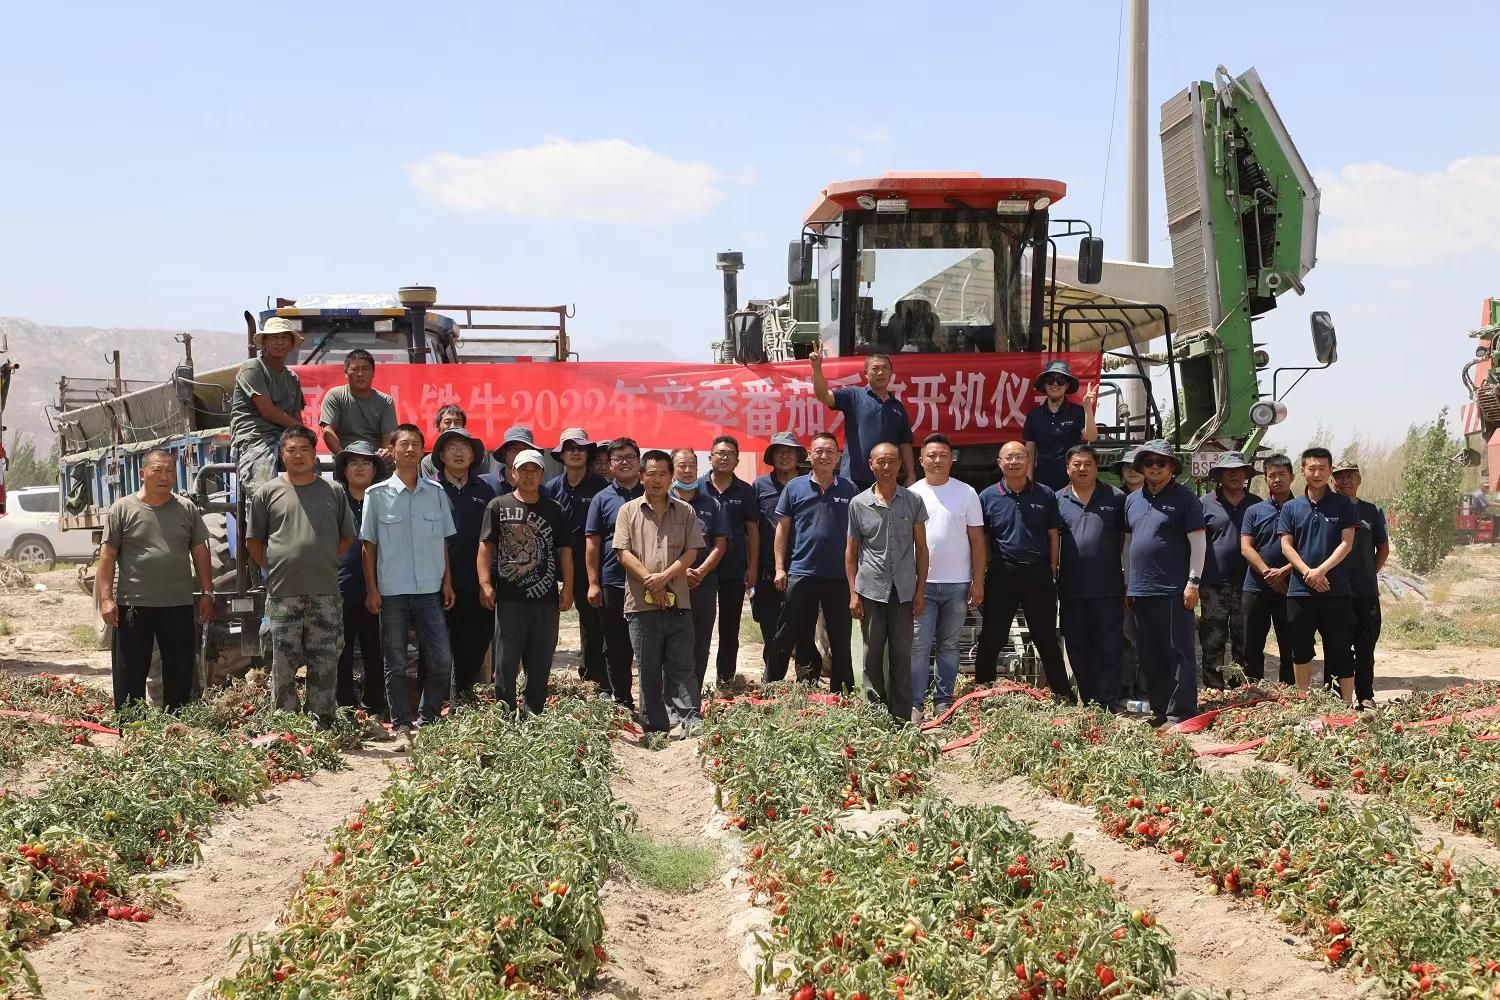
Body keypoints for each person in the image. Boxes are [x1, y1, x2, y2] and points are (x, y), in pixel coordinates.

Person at [247, 426, 354, 727]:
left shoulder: (333, 491)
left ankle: (321, 721)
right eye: (291, 450)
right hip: (283, 593)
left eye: (304, 449)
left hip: (325, 593)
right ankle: (286, 725)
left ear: (314, 453)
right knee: (282, 662)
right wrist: (274, 566)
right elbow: (253, 541)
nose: (298, 455)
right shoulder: (267, 492)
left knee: (325, 660)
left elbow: (346, 537)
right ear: (282, 455)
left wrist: (325, 560)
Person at [362, 424, 457, 748]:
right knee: (396, 663)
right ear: (392, 450)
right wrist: (372, 590)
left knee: (441, 659)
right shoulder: (377, 495)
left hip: (430, 590)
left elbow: (443, 542)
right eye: (404, 444)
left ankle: (428, 720)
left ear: (422, 450)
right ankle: (402, 726)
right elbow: (368, 547)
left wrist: (447, 582)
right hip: (392, 592)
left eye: (416, 444)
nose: (410, 449)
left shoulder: (436, 493)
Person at [97, 448, 213, 711]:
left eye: (170, 471)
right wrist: (106, 598)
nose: (164, 476)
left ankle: (176, 728)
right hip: (133, 605)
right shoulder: (122, 509)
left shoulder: (186, 509)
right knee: (130, 674)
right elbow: (108, 555)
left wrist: (208, 592)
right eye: (157, 470)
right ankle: (131, 728)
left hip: (177, 605)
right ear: (142, 474)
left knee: (180, 673)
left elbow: (200, 551)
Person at [614, 450, 703, 736]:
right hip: (641, 603)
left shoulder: (685, 511)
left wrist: (664, 577)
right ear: (641, 477)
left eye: (663, 473)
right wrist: (651, 581)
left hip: (679, 600)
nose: (657, 479)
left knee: (682, 664)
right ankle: (654, 725)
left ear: (671, 477)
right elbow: (622, 553)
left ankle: (690, 719)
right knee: (648, 667)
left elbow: (692, 551)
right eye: (651, 474)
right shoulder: (628, 511)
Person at [974, 441, 1071, 699]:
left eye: (1019, 456)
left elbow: (1053, 534)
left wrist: (1052, 568)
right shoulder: (987, 496)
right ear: (1000, 463)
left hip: (1038, 574)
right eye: (1008, 457)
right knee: (993, 636)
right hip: (1002, 573)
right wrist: (980, 575)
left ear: (1029, 461)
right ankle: (981, 692)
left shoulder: (1045, 494)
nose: (1014, 461)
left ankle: (1063, 695)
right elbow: (981, 539)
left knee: (1046, 637)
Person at [478, 449, 571, 716]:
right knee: (506, 661)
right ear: (513, 473)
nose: (529, 476)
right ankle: (505, 714)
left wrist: (567, 587)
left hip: (545, 598)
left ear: (542, 475)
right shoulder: (498, 505)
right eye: (524, 470)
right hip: (509, 597)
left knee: (540, 660)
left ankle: (534, 713)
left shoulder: (554, 509)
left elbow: (565, 551)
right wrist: (485, 583)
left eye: (535, 471)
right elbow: (485, 547)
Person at [766, 431, 858, 693]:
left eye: (830, 451)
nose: (824, 456)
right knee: (789, 631)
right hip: (802, 572)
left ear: (838, 457)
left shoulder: (849, 489)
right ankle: (773, 686)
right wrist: (780, 568)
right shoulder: (795, 488)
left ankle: (842, 692)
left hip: (838, 576)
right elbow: (782, 530)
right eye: (819, 451)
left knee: (840, 637)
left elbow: (857, 535)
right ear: (809, 455)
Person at [1124, 440, 1206, 725]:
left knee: (1178, 652)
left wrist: (1193, 582)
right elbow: (1128, 544)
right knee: (1149, 652)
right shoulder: (1132, 500)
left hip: (1174, 589)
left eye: (1161, 463)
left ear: (1172, 466)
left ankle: (1181, 712)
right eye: (1149, 463)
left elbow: (1199, 543)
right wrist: (1128, 582)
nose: (1155, 468)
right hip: (1140, 589)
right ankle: (1160, 709)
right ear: (1141, 467)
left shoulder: (1186, 499)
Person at [846, 442, 928, 722]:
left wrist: (920, 590)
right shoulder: (858, 504)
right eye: (880, 461)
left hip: (903, 591)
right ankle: (874, 714)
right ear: (871, 465)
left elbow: (922, 549)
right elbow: (851, 552)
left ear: (900, 465)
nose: (886, 467)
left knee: (901, 654)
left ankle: (901, 716)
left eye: (892, 461)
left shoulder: (913, 501)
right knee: (872, 653)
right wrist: (853, 594)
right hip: (871, 590)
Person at [908, 433, 985, 720]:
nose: (937, 460)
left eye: (943, 455)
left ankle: (943, 701)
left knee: (949, 645)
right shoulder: (912, 493)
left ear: (952, 459)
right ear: (921, 460)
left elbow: (977, 540)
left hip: (957, 584)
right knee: (918, 645)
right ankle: (915, 703)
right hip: (921, 586)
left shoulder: (967, 493)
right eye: (931, 455)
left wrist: (978, 581)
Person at [1278, 447, 1358, 704]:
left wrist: (1321, 571)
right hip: (1300, 591)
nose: (1317, 473)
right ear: (1302, 471)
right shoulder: (1291, 508)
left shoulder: (1344, 504)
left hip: (1336, 590)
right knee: (1300, 648)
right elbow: (1286, 545)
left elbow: (1347, 543)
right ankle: (1304, 702)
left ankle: (1346, 705)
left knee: (1341, 649)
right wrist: (1307, 572)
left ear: (1330, 471)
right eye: (1311, 468)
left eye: (1322, 468)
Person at [1056, 444, 1128, 710]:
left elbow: (1125, 539)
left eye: (1088, 464)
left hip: (1108, 587)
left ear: (1097, 467)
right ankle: (1089, 700)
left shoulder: (1116, 498)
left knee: (1109, 645)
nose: (1082, 468)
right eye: (1076, 464)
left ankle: (1109, 701)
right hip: (1072, 588)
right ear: (1067, 469)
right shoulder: (1058, 499)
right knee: (1077, 645)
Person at [431, 425, 496, 701]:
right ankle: (434, 703)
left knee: (477, 639)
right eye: (452, 448)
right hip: (436, 580)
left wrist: (488, 580)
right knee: (437, 645)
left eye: (464, 448)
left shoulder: (486, 490)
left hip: (476, 580)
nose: (458, 453)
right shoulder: (429, 489)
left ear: (473, 456)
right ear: (441, 455)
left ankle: (463, 695)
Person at [542, 428, 610, 687]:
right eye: (570, 448)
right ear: (561, 454)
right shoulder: (550, 488)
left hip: (588, 565)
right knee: (544, 624)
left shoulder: (601, 488)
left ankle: (594, 679)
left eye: (581, 448)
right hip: (553, 565)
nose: (575, 452)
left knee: (592, 624)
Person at [751, 432, 819, 680]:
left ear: (799, 455)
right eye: (779, 451)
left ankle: (807, 682)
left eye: (790, 451)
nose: (785, 455)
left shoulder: (811, 483)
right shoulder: (760, 486)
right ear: (771, 456)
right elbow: (752, 529)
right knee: (771, 628)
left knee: (805, 629)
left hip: (804, 567)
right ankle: (772, 681)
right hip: (769, 570)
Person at [585, 438, 645, 711]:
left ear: (639, 461)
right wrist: (593, 583)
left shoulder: (652, 492)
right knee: (616, 644)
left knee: (649, 645)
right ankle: (622, 699)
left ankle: (652, 701)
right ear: (610, 465)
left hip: (649, 581)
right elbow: (593, 543)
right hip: (613, 581)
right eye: (618, 458)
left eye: (630, 457)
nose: (624, 462)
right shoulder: (602, 498)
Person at [332, 440, 388, 717]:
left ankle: (375, 705)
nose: (359, 467)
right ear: (344, 470)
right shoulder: (333, 502)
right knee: (340, 653)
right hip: (340, 588)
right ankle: (343, 707)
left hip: (377, 590)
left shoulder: (384, 501)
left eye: (366, 462)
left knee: (375, 651)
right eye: (353, 462)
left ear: (375, 469)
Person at [810, 344, 915, 487]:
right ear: (866, 373)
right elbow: (824, 396)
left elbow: (904, 444)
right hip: (854, 478)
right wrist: (817, 369)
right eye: (875, 368)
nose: (880, 372)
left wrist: (911, 475)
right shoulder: (853, 395)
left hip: (886, 478)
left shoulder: (897, 406)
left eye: (885, 368)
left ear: (891, 373)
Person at [700, 435, 760, 684]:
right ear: (710, 457)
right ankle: (693, 680)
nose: (724, 458)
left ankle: (725, 680)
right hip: (700, 569)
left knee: (729, 628)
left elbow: (752, 531)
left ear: (737, 460)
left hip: (734, 568)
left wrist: (752, 567)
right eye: (720, 453)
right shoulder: (696, 487)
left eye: (730, 454)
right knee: (699, 627)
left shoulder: (745, 491)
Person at [1198, 452, 1261, 688]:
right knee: (1212, 638)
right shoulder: (1204, 504)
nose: (1234, 475)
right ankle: (1214, 687)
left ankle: (1240, 687)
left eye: (1239, 470)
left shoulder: (1257, 504)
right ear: (1219, 475)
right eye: (1228, 471)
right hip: (1213, 583)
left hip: (1248, 583)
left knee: (1244, 637)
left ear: (1246, 474)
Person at [670, 449, 728, 705]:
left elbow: (719, 545)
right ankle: (671, 699)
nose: (687, 470)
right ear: (672, 469)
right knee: (671, 642)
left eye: (691, 465)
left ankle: (692, 699)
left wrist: (701, 572)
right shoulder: (662, 501)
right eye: (681, 465)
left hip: (703, 583)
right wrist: (679, 571)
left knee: (700, 642)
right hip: (669, 583)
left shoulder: (711, 504)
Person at [1333, 460, 1389, 709]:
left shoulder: (1372, 511)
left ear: (1359, 480)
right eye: (1339, 477)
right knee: (1338, 647)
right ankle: (1337, 698)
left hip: (1365, 593)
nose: (1345, 481)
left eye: (1350, 476)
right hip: (1336, 592)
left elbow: (1383, 548)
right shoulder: (1328, 510)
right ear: (1333, 481)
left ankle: (1365, 695)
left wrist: (1369, 573)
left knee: (1366, 646)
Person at [230, 317, 305, 496]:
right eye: (274, 337)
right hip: (254, 438)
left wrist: (303, 438)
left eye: (284, 338)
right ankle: (261, 510)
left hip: (284, 438)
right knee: (263, 490)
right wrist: (302, 429)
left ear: (291, 344)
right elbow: (268, 411)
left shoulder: (292, 378)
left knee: (310, 466)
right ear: (264, 343)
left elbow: (296, 417)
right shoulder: (253, 368)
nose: (280, 342)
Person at [1239, 454, 1297, 684]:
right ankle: (1254, 690)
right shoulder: (1254, 511)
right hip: (1256, 587)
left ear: (1292, 477)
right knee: (1251, 644)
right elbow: (1246, 547)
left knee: (1290, 644)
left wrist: (1284, 572)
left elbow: (1309, 548)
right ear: (1265, 479)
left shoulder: (1302, 508)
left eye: (1282, 474)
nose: (1277, 479)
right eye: (1272, 475)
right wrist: (1267, 573)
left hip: (1290, 587)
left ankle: (1288, 690)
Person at [1023, 360, 1099, 491]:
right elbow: (1030, 452)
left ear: (1067, 385)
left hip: (1072, 483)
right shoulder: (1034, 415)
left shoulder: (1078, 411)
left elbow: (1091, 437)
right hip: (1042, 484)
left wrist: (1088, 408)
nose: (1055, 384)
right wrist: (1028, 484)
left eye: (1060, 380)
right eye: (1050, 379)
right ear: (1044, 384)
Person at [318, 349, 396, 457]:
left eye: (365, 369)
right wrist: (343, 457)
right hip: (343, 455)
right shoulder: (334, 395)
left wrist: (380, 460)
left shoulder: (385, 401)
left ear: (373, 373)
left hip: (375, 458)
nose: (360, 374)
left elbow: (388, 437)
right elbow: (327, 430)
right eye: (355, 369)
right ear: (346, 373)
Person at [419, 405, 492, 479]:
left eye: (457, 422)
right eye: (447, 422)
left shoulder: (480, 456)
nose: (453, 426)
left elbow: (484, 481)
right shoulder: (428, 462)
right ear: (437, 427)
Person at [481, 425, 539, 495]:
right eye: (515, 448)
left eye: (524, 449)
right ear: (504, 453)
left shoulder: (540, 491)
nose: (519, 453)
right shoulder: (484, 484)